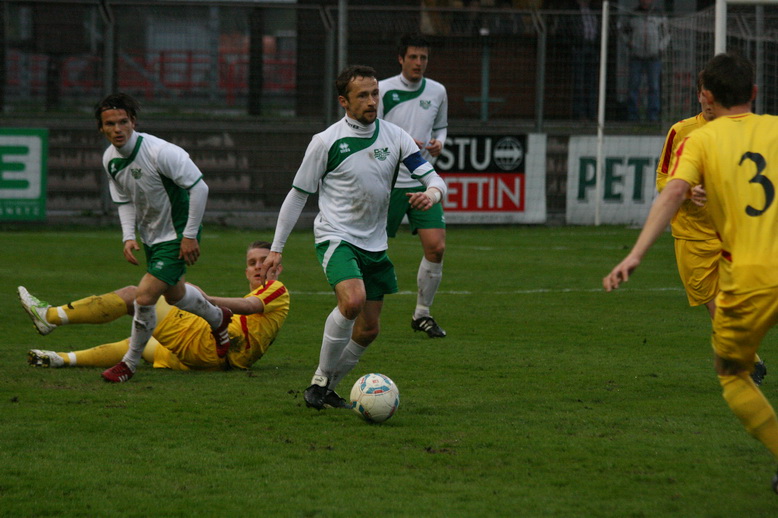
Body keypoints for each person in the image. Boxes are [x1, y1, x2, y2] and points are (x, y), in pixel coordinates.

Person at [604, 53, 778, 492]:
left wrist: (635, 253)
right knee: (711, 300)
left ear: (711, 96)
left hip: (748, 265)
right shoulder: (702, 131)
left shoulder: (704, 140)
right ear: (753, 93)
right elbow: (669, 182)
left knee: (730, 372)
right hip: (703, 238)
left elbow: (671, 190)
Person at [261, 65, 447, 410]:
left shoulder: (397, 136)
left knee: (369, 330)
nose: (372, 101)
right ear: (344, 101)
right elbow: (298, 194)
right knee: (352, 300)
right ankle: (319, 380)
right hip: (336, 236)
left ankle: (328, 386)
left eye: (375, 93)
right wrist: (277, 249)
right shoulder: (325, 142)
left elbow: (435, 180)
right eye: (363, 95)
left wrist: (431, 196)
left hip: (375, 244)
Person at [90, 92, 232, 383]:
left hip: (178, 233)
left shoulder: (160, 152)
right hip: (152, 236)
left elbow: (200, 188)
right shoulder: (110, 160)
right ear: (101, 128)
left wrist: (190, 236)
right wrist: (128, 236)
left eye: (123, 122)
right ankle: (219, 319)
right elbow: (125, 200)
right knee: (176, 295)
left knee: (144, 296)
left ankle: (128, 364)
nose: (117, 129)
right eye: (110, 124)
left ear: (133, 122)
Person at [19, 241, 289, 372]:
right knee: (138, 340)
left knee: (135, 296)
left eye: (264, 261)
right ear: (245, 270)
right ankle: (61, 358)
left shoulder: (277, 290)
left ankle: (51, 316)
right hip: (210, 361)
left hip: (207, 344)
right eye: (252, 262)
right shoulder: (269, 295)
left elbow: (249, 305)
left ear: (276, 266)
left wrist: (206, 301)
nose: (257, 267)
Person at [656, 75, 767, 385]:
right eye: (704, 94)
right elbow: (663, 179)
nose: (707, 101)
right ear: (698, 96)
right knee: (711, 298)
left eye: (713, 95)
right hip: (692, 233)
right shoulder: (681, 132)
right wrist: (689, 191)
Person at [378, 33, 449, 338]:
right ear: (401, 59)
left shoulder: (438, 91)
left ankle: (422, 314)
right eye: (413, 57)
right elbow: (372, 129)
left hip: (423, 181)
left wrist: (438, 144)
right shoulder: (382, 90)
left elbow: (442, 126)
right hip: (389, 181)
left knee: (437, 247)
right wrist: (401, 144)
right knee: (370, 248)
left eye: (424, 58)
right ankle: (356, 308)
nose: (419, 63)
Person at [619, 0, 669, 122]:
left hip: (654, 56)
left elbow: (667, 33)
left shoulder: (659, 14)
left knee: (654, 87)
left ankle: (653, 116)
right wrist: (629, 43)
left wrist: (660, 47)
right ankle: (633, 116)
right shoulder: (632, 14)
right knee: (634, 86)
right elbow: (622, 30)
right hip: (636, 56)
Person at [570, 0, 600, 121]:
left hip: (591, 48)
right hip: (579, 48)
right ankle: (580, 113)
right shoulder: (573, 13)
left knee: (591, 82)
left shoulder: (593, 13)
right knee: (579, 82)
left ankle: (592, 113)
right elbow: (568, 29)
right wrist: (573, 44)